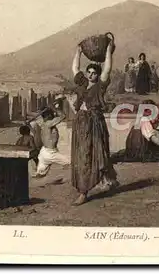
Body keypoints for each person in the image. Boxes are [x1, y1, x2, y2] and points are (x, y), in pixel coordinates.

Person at [71, 40, 120, 206]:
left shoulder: (100, 86)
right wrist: (78, 52)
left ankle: (83, 192)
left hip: (94, 124)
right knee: (85, 154)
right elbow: (75, 69)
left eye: (94, 73)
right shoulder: (83, 83)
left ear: (98, 75)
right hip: (80, 124)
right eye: (89, 72)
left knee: (94, 154)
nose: (91, 75)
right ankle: (110, 180)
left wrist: (107, 50)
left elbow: (107, 67)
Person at [32, 107, 71, 178]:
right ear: (49, 116)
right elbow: (63, 116)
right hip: (50, 153)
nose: (54, 116)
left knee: (40, 174)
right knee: (70, 162)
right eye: (52, 115)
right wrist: (54, 108)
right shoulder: (48, 123)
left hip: (43, 153)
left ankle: (40, 178)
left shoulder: (43, 124)